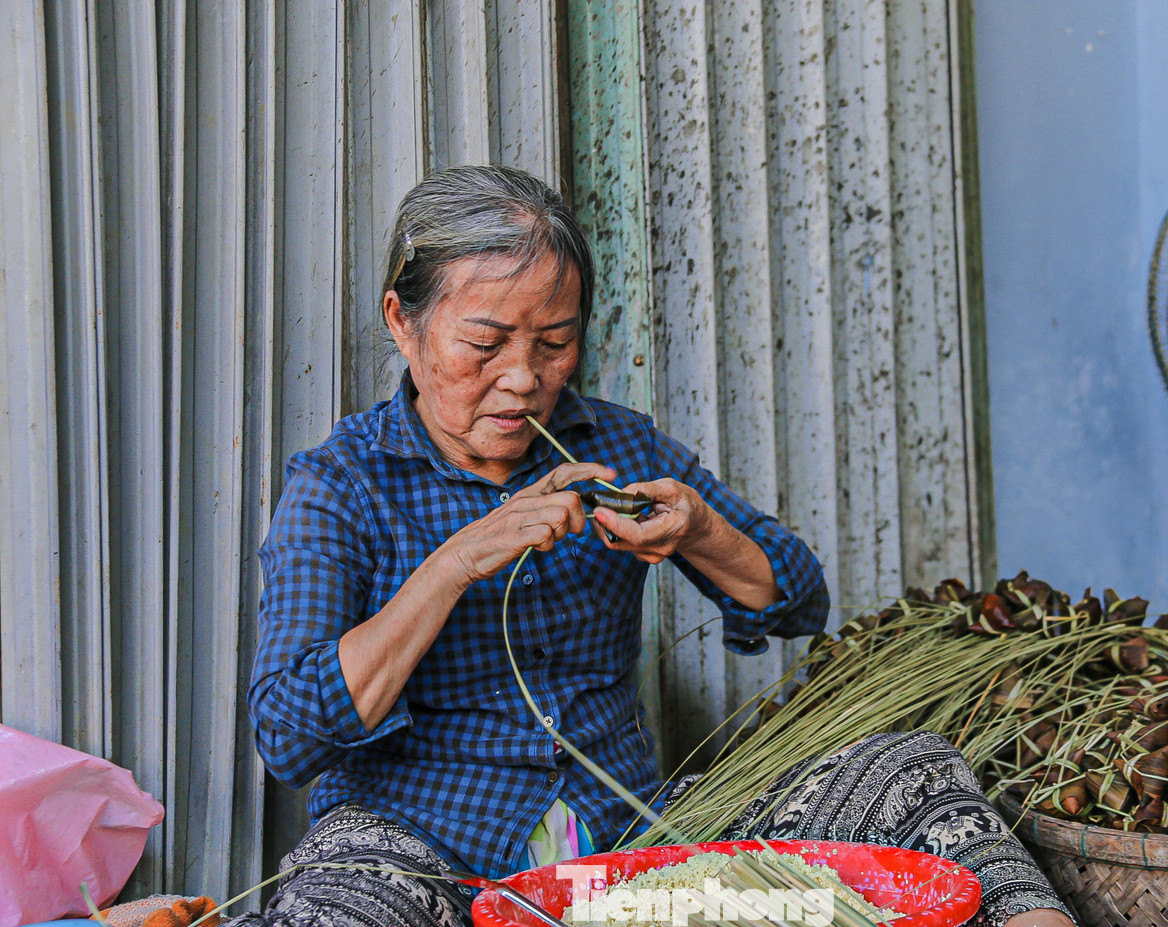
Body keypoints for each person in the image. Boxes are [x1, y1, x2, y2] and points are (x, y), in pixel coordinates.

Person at [166, 165, 1071, 927]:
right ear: (404, 322)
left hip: (633, 853)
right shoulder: (341, 483)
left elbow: (797, 598)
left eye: (555, 342)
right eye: (484, 343)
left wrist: (702, 531)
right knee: (342, 902)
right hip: (422, 855)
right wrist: (453, 565)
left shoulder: (616, 445)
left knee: (913, 768)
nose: (524, 378)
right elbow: (288, 733)